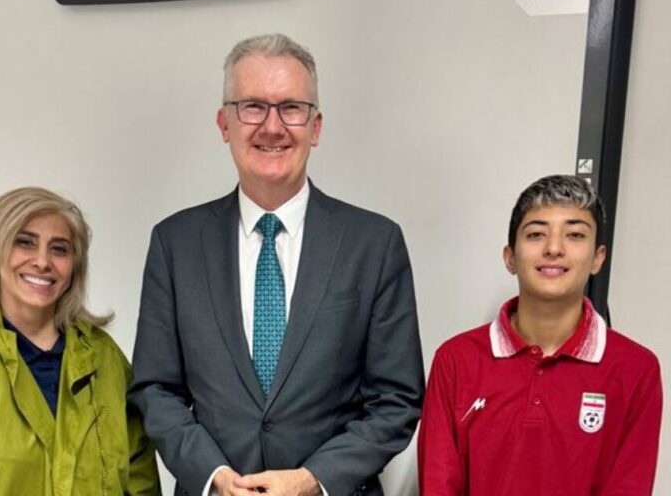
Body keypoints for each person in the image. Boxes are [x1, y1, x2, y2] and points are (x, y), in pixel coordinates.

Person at [129, 33, 424, 496]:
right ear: (224, 123)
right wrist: (213, 475)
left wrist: (312, 480)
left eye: (291, 108)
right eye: (252, 107)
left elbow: (397, 399)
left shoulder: (374, 243)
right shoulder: (175, 243)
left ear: (315, 127)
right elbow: (155, 389)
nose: (272, 127)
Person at [0, 187, 160, 496]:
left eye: (59, 249)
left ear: (74, 266)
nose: (42, 261)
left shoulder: (106, 360)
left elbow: (142, 484)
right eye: (24, 242)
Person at [417, 175, 663, 495]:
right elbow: (439, 484)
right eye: (536, 234)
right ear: (510, 257)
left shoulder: (636, 369)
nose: (554, 248)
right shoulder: (456, 359)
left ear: (598, 258)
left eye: (575, 235)